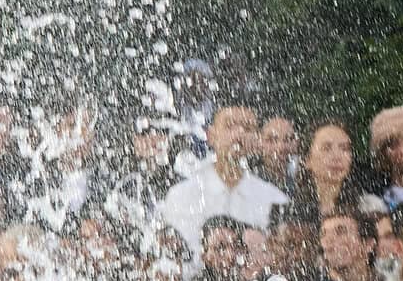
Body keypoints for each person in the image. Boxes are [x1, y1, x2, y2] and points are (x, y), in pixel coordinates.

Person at [154, 102, 288, 258]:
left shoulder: (273, 199)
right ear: (211, 135)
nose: (239, 134)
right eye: (230, 126)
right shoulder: (181, 195)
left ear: (257, 140)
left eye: (247, 128)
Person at [291, 118, 369, 222]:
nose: (337, 157)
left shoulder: (368, 207)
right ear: (307, 160)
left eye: (344, 149)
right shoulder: (288, 208)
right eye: (326, 148)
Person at [254, 115, 301, 192]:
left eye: (289, 139)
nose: (281, 148)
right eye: (271, 140)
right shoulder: (247, 184)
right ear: (258, 143)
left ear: (297, 143)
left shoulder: (301, 184)